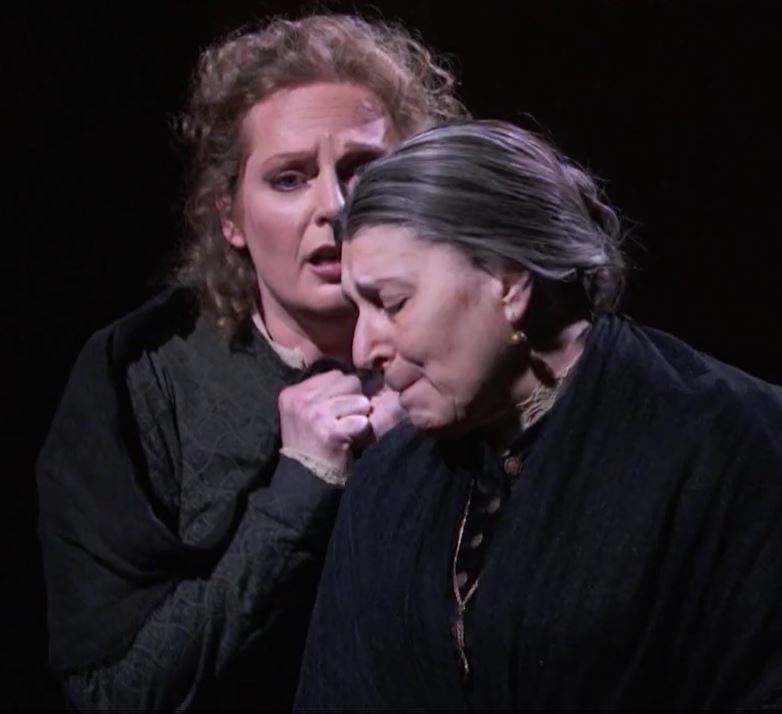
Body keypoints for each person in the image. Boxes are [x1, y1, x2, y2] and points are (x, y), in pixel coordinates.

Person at [35, 13, 466, 710]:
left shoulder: (476, 359)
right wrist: (303, 487)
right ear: (230, 215)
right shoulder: (141, 375)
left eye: (362, 169)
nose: (334, 207)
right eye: (289, 179)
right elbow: (115, 692)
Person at [294, 120, 782, 710]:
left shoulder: (730, 445)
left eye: (392, 303)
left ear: (509, 280)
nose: (363, 349)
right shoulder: (386, 483)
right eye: (357, 309)